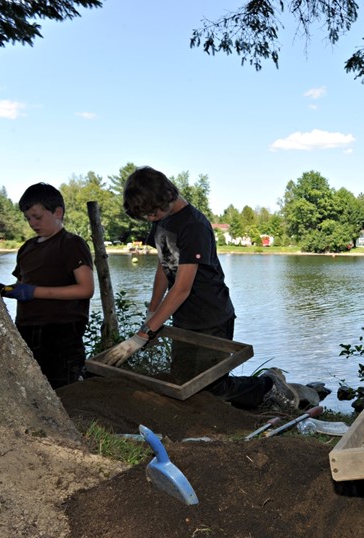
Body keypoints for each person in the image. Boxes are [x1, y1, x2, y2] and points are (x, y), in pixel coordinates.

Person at [100, 166, 297, 411]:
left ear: (167, 196)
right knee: (183, 383)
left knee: (210, 387)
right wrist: (153, 312)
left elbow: (182, 288)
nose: (150, 218)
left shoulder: (193, 225)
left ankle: (269, 386)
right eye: (146, 216)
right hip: (183, 316)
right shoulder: (162, 219)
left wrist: (142, 335)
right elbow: (164, 265)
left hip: (211, 315)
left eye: (152, 213)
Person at [0, 183, 94, 389]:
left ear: (58, 212)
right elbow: (22, 285)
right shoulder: (26, 248)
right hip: (26, 328)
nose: (32, 223)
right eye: (28, 218)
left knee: (63, 388)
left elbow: (86, 289)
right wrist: (5, 290)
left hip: (61, 332)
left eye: (37, 217)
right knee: (30, 387)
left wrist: (35, 292)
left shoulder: (71, 243)